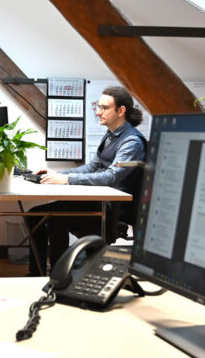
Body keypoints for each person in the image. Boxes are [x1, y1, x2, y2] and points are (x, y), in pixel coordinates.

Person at [28, 85, 146, 276]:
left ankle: (58, 276)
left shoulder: (131, 142)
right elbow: (92, 167)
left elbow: (110, 176)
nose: (98, 112)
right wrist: (57, 175)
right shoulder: (111, 135)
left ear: (121, 110)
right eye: (98, 107)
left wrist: (67, 179)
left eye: (104, 108)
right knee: (34, 215)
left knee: (54, 218)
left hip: (111, 210)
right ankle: (37, 274)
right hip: (96, 201)